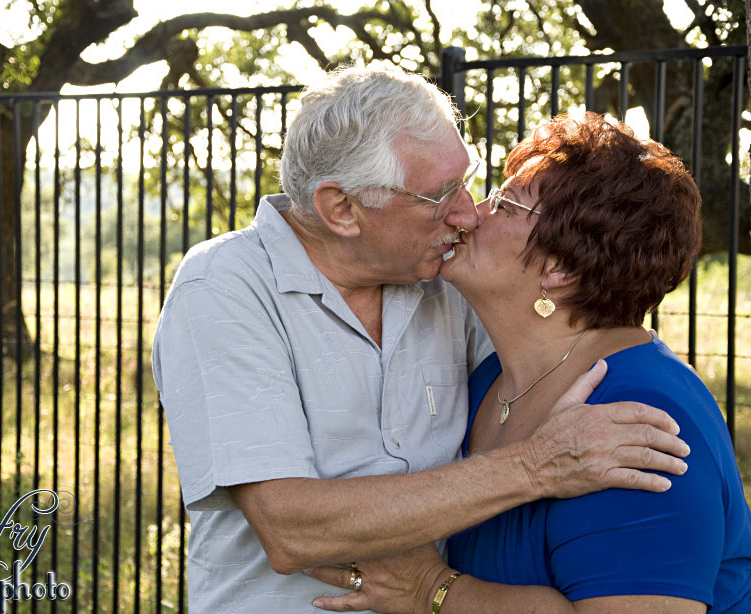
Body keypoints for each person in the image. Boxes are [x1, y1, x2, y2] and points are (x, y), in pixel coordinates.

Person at [151, 66, 691, 613]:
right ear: (342, 210)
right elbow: (291, 529)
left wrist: (669, 385)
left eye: (467, 180)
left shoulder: (446, 280)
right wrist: (537, 466)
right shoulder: (224, 288)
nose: (467, 214)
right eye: (439, 195)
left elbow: (557, 344)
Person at [307, 112, 751, 613]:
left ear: (560, 267)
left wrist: (429, 590)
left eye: (505, 204)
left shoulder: (642, 413)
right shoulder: (488, 380)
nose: (471, 213)